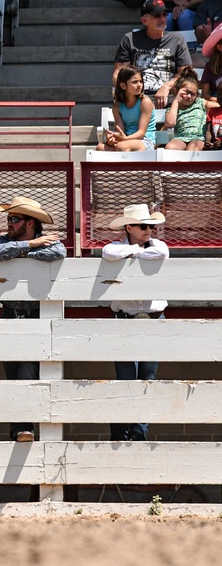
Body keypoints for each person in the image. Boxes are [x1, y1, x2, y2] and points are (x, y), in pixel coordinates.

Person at [0, 196, 66, 443]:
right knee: (13, 377)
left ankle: (25, 428)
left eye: (14, 219)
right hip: (10, 317)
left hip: (34, 318)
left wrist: (24, 249)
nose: (9, 223)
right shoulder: (9, 241)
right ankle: (20, 430)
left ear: (30, 222)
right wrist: (31, 245)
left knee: (28, 373)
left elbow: (59, 251)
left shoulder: (48, 242)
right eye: (10, 218)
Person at [102, 204, 170, 443]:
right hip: (125, 320)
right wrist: (136, 252)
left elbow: (162, 253)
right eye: (144, 226)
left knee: (147, 380)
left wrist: (133, 253)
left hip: (152, 319)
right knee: (125, 381)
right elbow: (109, 252)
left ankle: (139, 436)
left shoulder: (156, 245)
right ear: (128, 227)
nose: (149, 230)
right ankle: (121, 436)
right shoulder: (117, 246)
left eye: (151, 226)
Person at [114, 0, 193, 109]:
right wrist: (129, 93)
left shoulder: (177, 40)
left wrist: (167, 86)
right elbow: (118, 73)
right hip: (137, 97)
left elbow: (186, 73)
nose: (162, 19)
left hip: (169, 97)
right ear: (144, 21)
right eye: (157, 16)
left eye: (165, 14)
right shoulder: (130, 39)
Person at [98, 66, 157, 153]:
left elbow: (141, 132)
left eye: (141, 81)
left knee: (122, 147)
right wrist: (112, 139)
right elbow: (121, 131)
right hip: (126, 140)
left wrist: (125, 139)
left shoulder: (145, 102)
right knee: (100, 147)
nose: (139, 85)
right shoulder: (117, 106)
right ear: (123, 86)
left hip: (145, 141)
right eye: (135, 82)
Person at [165, 65, 219, 149]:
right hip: (181, 138)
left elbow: (218, 106)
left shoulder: (200, 103)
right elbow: (170, 123)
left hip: (198, 139)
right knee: (170, 147)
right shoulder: (173, 107)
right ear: (176, 91)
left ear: (197, 95)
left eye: (192, 94)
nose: (189, 96)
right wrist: (176, 100)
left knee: (193, 147)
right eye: (186, 92)